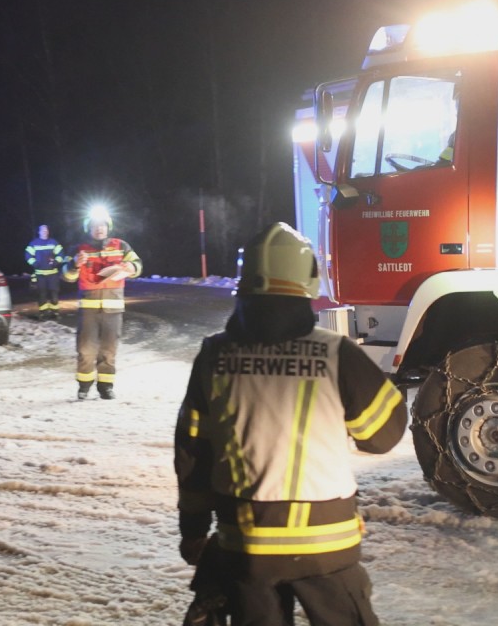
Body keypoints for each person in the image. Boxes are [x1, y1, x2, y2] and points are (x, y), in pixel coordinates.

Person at [174, 222, 407, 626]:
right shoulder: (336, 353)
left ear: (244, 287)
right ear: (307, 285)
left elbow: (192, 451)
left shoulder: (214, 356)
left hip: (245, 542)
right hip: (327, 544)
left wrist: (193, 529)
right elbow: (381, 437)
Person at [61, 208, 141, 400]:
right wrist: (74, 264)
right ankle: (84, 386)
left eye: (103, 225)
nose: (99, 228)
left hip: (113, 308)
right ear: (89, 228)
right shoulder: (77, 249)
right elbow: (66, 276)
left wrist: (132, 266)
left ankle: (106, 387)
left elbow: (137, 265)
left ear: (108, 227)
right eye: (95, 225)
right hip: (89, 308)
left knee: (109, 349)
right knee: (85, 349)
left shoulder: (121, 246)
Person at [25, 224, 65, 321]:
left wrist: (55, 262)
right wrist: (35, 263)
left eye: (46, 230)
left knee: (54, 294)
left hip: (53, 274)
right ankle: (43, 313)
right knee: (42, 295)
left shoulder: (53, 242)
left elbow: (61, 254)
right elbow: (27, 255)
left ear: (48, 231)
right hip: (40, 274)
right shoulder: (34, 243)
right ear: (39, 232)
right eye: (42, 230)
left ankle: (55, 313)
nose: (44, 232)